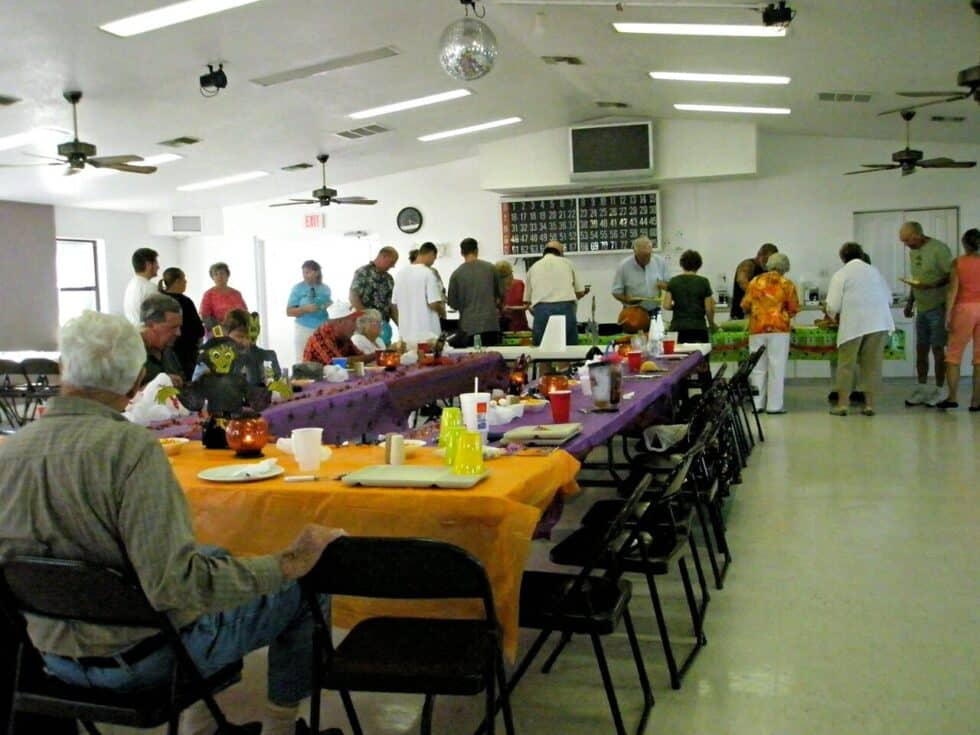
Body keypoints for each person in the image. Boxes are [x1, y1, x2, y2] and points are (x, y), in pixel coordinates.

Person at [0, 311, 345, 735]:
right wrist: (287, 563)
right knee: (303, 585)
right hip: (148, 660)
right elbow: (176, 587)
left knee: (213, 557)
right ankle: (282, 727)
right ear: (136, 382)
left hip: (49, 657)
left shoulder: (8, 453)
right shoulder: (131, 451)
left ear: (62, 369)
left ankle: (202, 726)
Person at [825, 242, 895, 416]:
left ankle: (842, 405)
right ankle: (869, 405)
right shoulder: (875, 272)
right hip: (878, 323)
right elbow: (889, 299)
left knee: (846, 365)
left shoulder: (841, 274)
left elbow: (832, 305)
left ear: (843, 258)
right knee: (871, 364)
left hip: (853, 325)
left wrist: (832, 316)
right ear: (862, 254)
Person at [900, 221, 953, 407]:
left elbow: (952, 275)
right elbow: (917, 280)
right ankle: (921, 388)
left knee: (938, 349)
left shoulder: (939, 249)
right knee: (920, 349)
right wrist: (910, 302)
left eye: (907, 240)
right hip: (921, 308)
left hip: (939, 306)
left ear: (918, 234)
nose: (906, 244)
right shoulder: (913, 251)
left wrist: (932, 286)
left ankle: (939, 390)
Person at [740, 252, 800, 414]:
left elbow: (745, 304)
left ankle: (757, 404)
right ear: (785, 268)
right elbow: (794, 308)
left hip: (757, 329)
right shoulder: (787, 284)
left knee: (757, 367)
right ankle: (774, 406)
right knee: (776, 367)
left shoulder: (755, 282)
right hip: (779, 330)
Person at [940, 228, 980, 410]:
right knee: (979, 358)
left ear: (965, 244)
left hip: (964, 309)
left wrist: (948, 314)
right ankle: (976, 401)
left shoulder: (958, 263)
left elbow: (953, 291)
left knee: (953, 355)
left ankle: (953, 397)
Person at [524, 240, 590, 346]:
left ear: (544, 252)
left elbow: (526, 301)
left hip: (541, 311)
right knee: (567, 351)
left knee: (542, 351)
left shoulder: (533, 267)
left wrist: (536, 311)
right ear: (560, 253)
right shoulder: (568, 263)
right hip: (566, 310)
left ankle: (544, 363)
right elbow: (580, 291)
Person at [447, 237, 502, 347]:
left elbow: (452, 304)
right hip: (490, 324)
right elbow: (500, 295)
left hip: (468, 327)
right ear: (477, 250)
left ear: (461, 253)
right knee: (492, 360)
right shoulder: (491, 268)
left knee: (473, 361)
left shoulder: (456, 274)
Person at [158, 267, 204, 382]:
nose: (186, 282)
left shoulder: (158, 299)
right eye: (184, 279)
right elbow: (198, 330)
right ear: (177, 281)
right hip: (185, 351)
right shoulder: (185, 302)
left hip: (162, 350)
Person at [390, 243, 443, 344]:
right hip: (427, 333)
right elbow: (433, 304)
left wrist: (401, 324)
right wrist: (442, 311)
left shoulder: (400, 273)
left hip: (406, 334)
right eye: (434, 258)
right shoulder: (427, 273)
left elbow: (394, 303)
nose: (433, 262)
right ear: (431, 254)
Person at [662, 249, 716, 343]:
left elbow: (666, 305)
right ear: (699, 265)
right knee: (699, 356)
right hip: (698, 328)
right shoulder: (703, 282)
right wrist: (711, 324)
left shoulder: (673, 281)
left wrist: (679, 306)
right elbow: (709, 308)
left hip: (677, 328)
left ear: (682, 264)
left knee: (680, 357)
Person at [350, 246, 398, 345]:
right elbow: (353, 297)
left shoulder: (389, 279)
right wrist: (368, 319)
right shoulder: (363, 272)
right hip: (365, 329)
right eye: (392, 262)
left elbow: (391, 305)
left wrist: (400, 324)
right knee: (367, 355)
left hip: (382, 328)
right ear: (383, 256)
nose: (393, 266)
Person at [286, 259, 332, 363]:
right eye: (303, 272)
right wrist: (304, 309)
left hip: (322, 328)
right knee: (303, 358)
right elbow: (289, 311)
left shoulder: (325, 288)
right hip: (304, 328)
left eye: (308, 272)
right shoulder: (297, 289)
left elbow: (329, 304)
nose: (305, 275)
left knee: (323, 357)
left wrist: (329, 305)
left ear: (316, 273)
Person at [611, 236, 669, 316]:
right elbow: (616, 292)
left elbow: (669, 285)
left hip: (655, 311)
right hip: (632, 311)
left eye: (649, 255)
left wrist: (664, 285)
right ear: (635, 251)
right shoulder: (624, 266)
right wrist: (626, 300)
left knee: (657, 329)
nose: (647, 259)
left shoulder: (660, 262)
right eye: (643, 256)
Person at [139, 292, 184, 387]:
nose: (178, 333)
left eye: (179, 327)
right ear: (150, 325)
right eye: (173, 327)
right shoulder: (132, 356)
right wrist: (158, 384)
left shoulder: (168, 351)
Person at [302, 307, 372, 365]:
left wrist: (374, 356)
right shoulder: (320, 337)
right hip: (316, 381)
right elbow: (338, 364)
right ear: (340, 322)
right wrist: (376, 355)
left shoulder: (343, 335)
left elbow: (360, 357)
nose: (356, 326)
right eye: (353, 321)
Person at [730, 243, 779, 320]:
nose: (769, 263)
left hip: (759, 316)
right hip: (741, 315)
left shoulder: (767, 269)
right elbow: (741, 281)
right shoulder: (748, 264)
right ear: (760, 255)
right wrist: (761, 296)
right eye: (768, 259)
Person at [199, 262, 248, 327]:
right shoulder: (208, 294)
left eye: (222, 273)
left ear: (227, 275)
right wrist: (222, 324)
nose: (219, 276)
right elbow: (204, 316)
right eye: (215, 274)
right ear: (212, 278)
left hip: (239, 328)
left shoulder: (237, 293)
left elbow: (245, 312)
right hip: (218, 331)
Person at [123, 247, 159, 326]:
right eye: (156, 263)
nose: (158, 267)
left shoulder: (131, 285)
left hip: (134, 332)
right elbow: (157, 317)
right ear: (149, 265)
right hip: (146, 333)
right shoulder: (150, 287)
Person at [495, 260, 530, 333]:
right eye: (503, 277)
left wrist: (511, 308)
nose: (509, 277)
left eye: (509, 274)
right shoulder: (495, 288)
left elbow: (527, 306)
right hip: (503, 327)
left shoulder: (519, 284)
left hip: (520, 326)